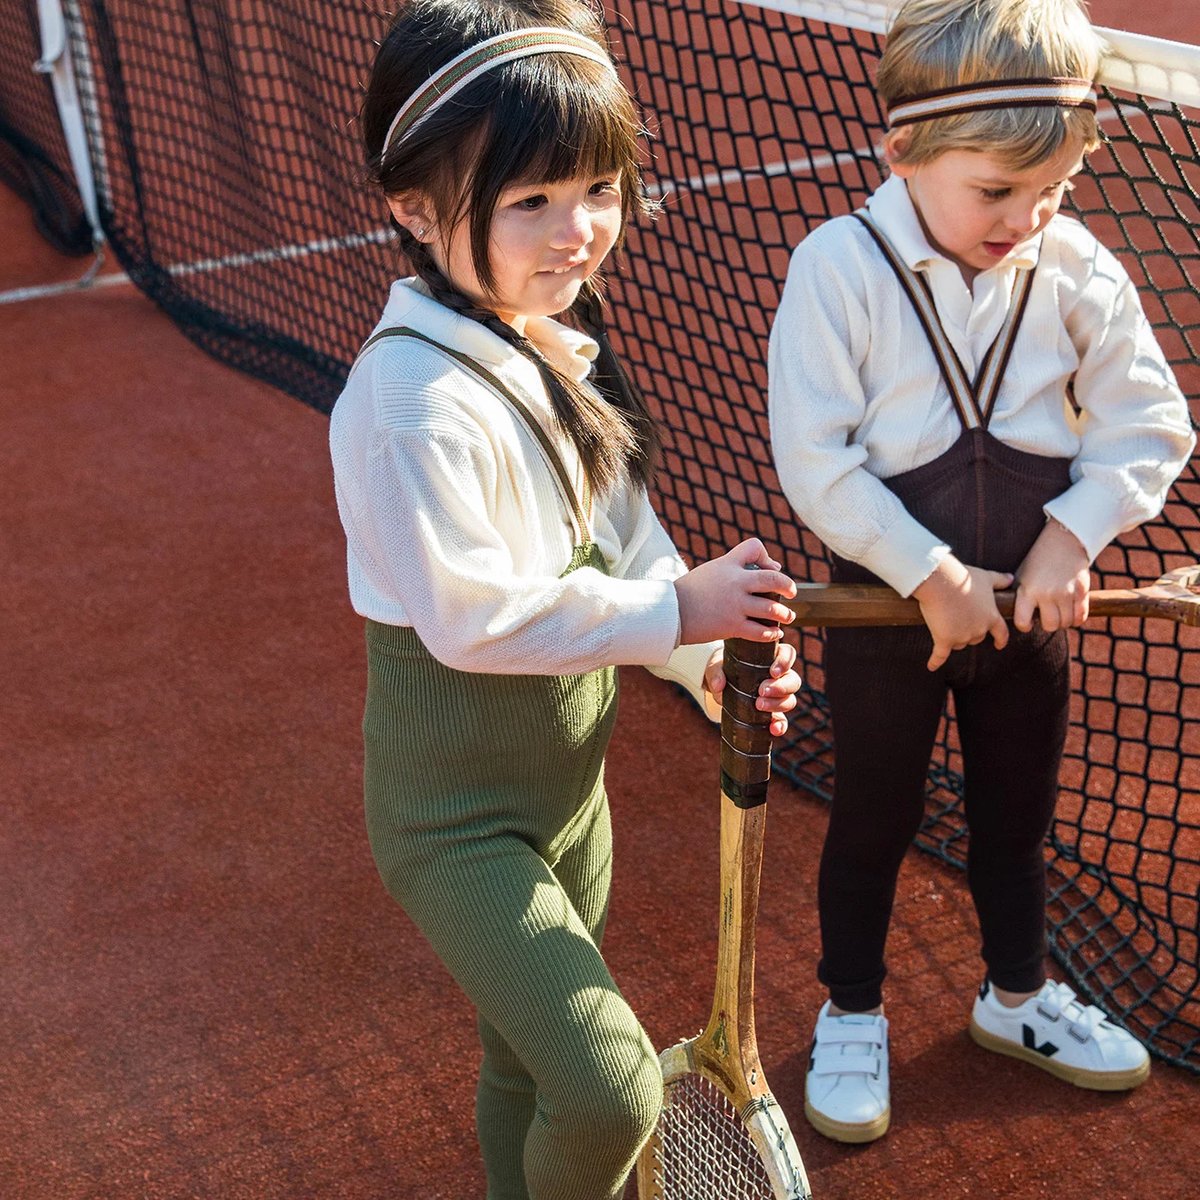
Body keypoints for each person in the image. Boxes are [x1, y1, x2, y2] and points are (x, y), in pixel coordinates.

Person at [329, 1, 802, 1193]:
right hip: (457, 825)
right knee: (607, 1088)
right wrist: (681, 615)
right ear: (416, 210)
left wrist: (704, 656)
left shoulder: (552, 334)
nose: (580, 230)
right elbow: (474, 619)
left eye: (599, 188)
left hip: (565, 799)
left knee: (526, 1071)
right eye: (530, 200)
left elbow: (626, 538)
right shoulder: (410, 408)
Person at [768, 0, 1194, 1145]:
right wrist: (929, 574)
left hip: (1029, 617)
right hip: (886, 615)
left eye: (1050, 190)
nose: (1026, 218)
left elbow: (1148, 425)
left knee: (1017, 818)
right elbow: (816, 464)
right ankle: (851, 1008)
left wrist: (1072, 537)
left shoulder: (1077, 265)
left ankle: (1017, 998)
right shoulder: (837, 268)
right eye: (995, 192)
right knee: (876, 813)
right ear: (899, 147)